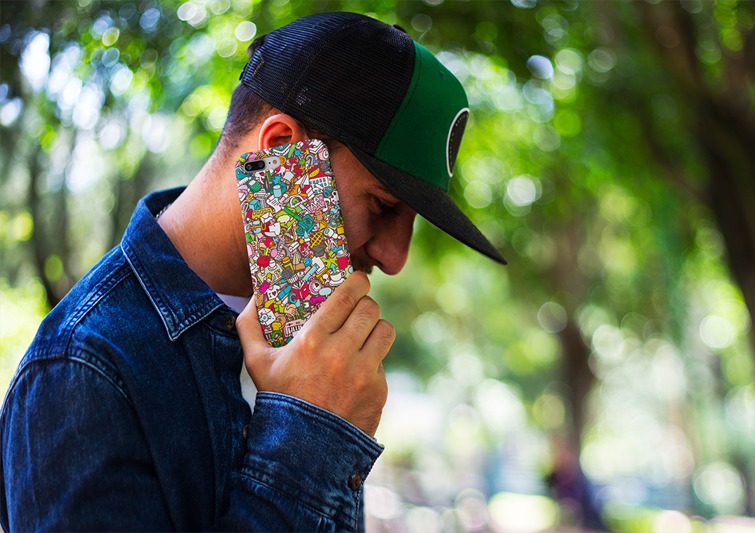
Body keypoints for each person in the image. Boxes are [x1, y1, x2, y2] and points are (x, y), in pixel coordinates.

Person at [0, 11, 505, 532]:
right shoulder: (82, 368)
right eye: (382, 205)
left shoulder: (306, 338)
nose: (395, 258)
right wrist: (309, 434)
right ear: (281, 150)